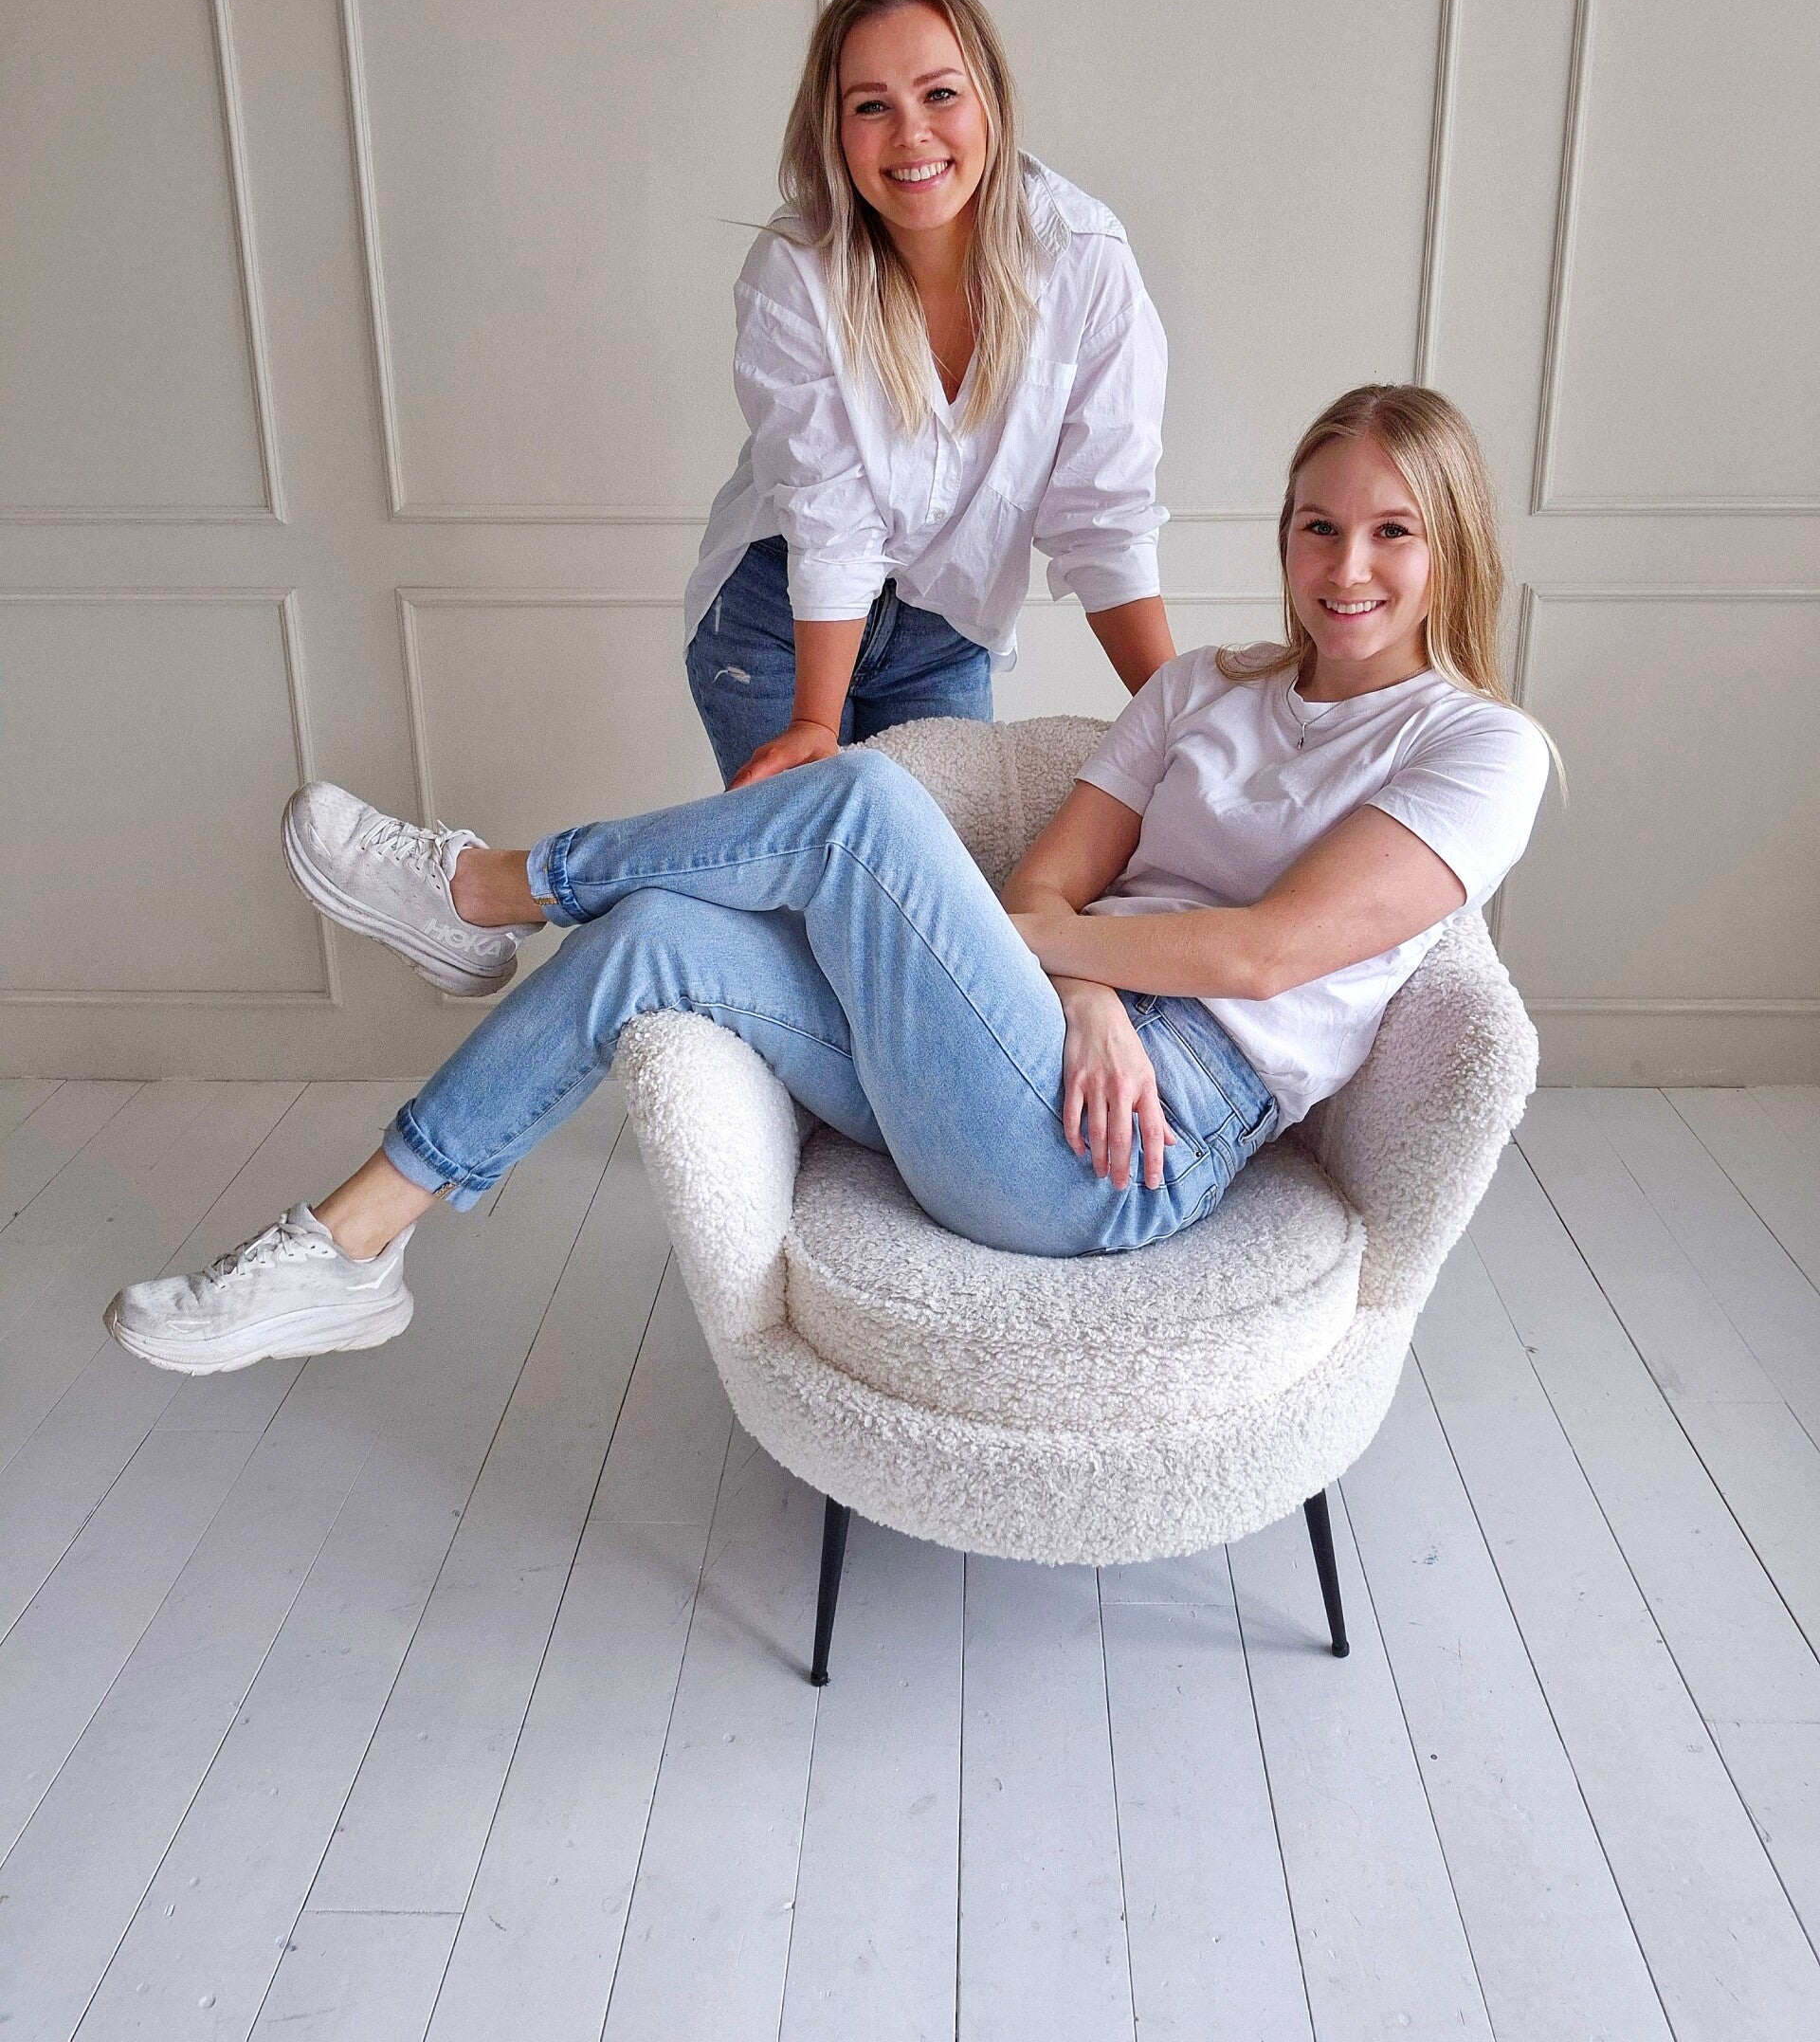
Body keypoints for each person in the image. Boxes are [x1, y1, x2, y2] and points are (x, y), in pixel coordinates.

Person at [106, 386, 1553, 1377]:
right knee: (660, 934)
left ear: (1454, 547)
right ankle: (349, 1247)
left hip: (1128, 1145)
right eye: (1317, 523)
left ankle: (493, 889)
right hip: (1023, 1048)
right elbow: (1035, 901)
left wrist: (1081, 968)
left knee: (858, 796)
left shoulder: (1479, 748)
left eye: (1393, 530)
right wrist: (1077, 984)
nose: (1345, 565)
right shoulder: (1199, 690)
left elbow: (1263, 956)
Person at [683, 0, 1176, 792]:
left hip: (943, 634)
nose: (911, 133)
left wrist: (1180, 719)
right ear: (834, 129)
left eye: (940, 94)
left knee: (939, 869)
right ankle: (518, 865)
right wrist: (814, 723)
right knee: (805, 861)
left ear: (991, 101)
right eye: (871, 106)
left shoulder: (1084, 260)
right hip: (777, 619)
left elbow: (1104, 517)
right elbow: (832, 521)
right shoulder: (797, 269)